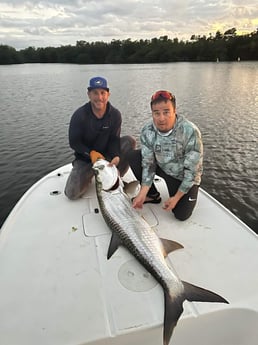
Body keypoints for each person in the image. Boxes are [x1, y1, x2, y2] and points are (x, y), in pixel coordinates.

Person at [128, 90, 203, 221]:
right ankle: (152, 195)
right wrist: (142, 192)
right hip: (163, 167)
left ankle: (179, 196)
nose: (161, 118)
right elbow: (148, 164)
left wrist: (177, 197)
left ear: (175, 110)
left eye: (166, 112)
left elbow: (192, 171)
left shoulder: (189, 131)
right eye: (156, 113)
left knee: (181, 215)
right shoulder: (147, 131)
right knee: (134, 156)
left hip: (183, 176)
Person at [65, 76, 135, 200]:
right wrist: (90, 153)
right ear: (89, 94)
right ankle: (92, 174)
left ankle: (116, 177)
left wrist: (115, 155)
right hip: (86, 159)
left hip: (106, 156)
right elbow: (74, 143)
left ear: (108, 94)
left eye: (103, 93)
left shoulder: (115, 114)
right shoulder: (79, 115)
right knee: (72, 193)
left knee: (130, 141)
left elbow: (114, 139)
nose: (99, 97)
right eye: (95, 93)